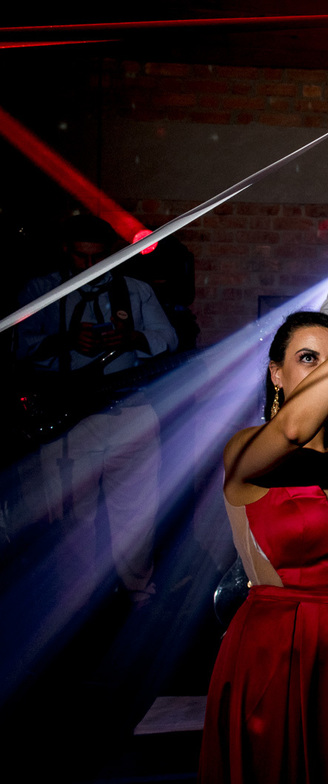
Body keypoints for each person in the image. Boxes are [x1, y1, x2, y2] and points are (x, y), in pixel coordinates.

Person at [200, 311, 328, 783]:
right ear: (276, 374)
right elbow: (292, 430)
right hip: (275, 648)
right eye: (308, 359)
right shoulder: (245, 449)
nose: (326, 371)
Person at [14, 215, 179, 603]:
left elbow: (168, 339)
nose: (89, 267)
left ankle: (140, 593)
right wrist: (65, 341)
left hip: (130, 411)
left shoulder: (135, 290)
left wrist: (132, 337)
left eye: (97, 257)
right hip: (68, 419)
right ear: (65, 252)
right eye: (80, 257)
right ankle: (75, 602)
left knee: (137, 512)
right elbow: (17, 346)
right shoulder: (40, 290)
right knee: (72, 518)